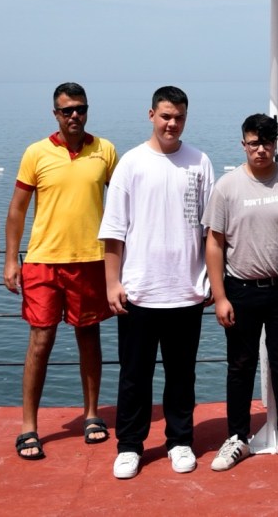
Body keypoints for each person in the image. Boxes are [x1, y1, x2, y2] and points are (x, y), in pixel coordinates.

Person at [99, 86, 214, 480]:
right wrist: (112, 283)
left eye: (179, 117)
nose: (172, 123)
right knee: (134, 376)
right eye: (165, 116)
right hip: (139, 291)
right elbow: (113, 231)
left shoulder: (200, 162)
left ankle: (180, 441)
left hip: (186, 291)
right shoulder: (131, 163)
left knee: (182, 375)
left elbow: (210, 231)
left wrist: (211, 280)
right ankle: (129, 445)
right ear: (151, 115)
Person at [3, 82, 118, 460]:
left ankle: (91, 415)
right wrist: (11, 259)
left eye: (80, 109)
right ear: (55, 113)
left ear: (87, 111)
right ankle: (28, 426)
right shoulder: (36, 152)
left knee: (89, 337)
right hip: (43, 261)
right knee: (40, 341)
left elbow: (124, 203)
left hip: (90, 259)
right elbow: (17, 209)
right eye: (67, 110)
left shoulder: (105, 151)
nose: (74, 116)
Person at [204, 113, 278, 472]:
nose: (260, 150)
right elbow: (214, 243)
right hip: (241, 288)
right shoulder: (227, 187)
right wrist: (220, 296)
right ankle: (237, 437)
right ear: (243, 144)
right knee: (240, 365)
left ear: (275, 144)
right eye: (254, 143)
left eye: (267, 142)